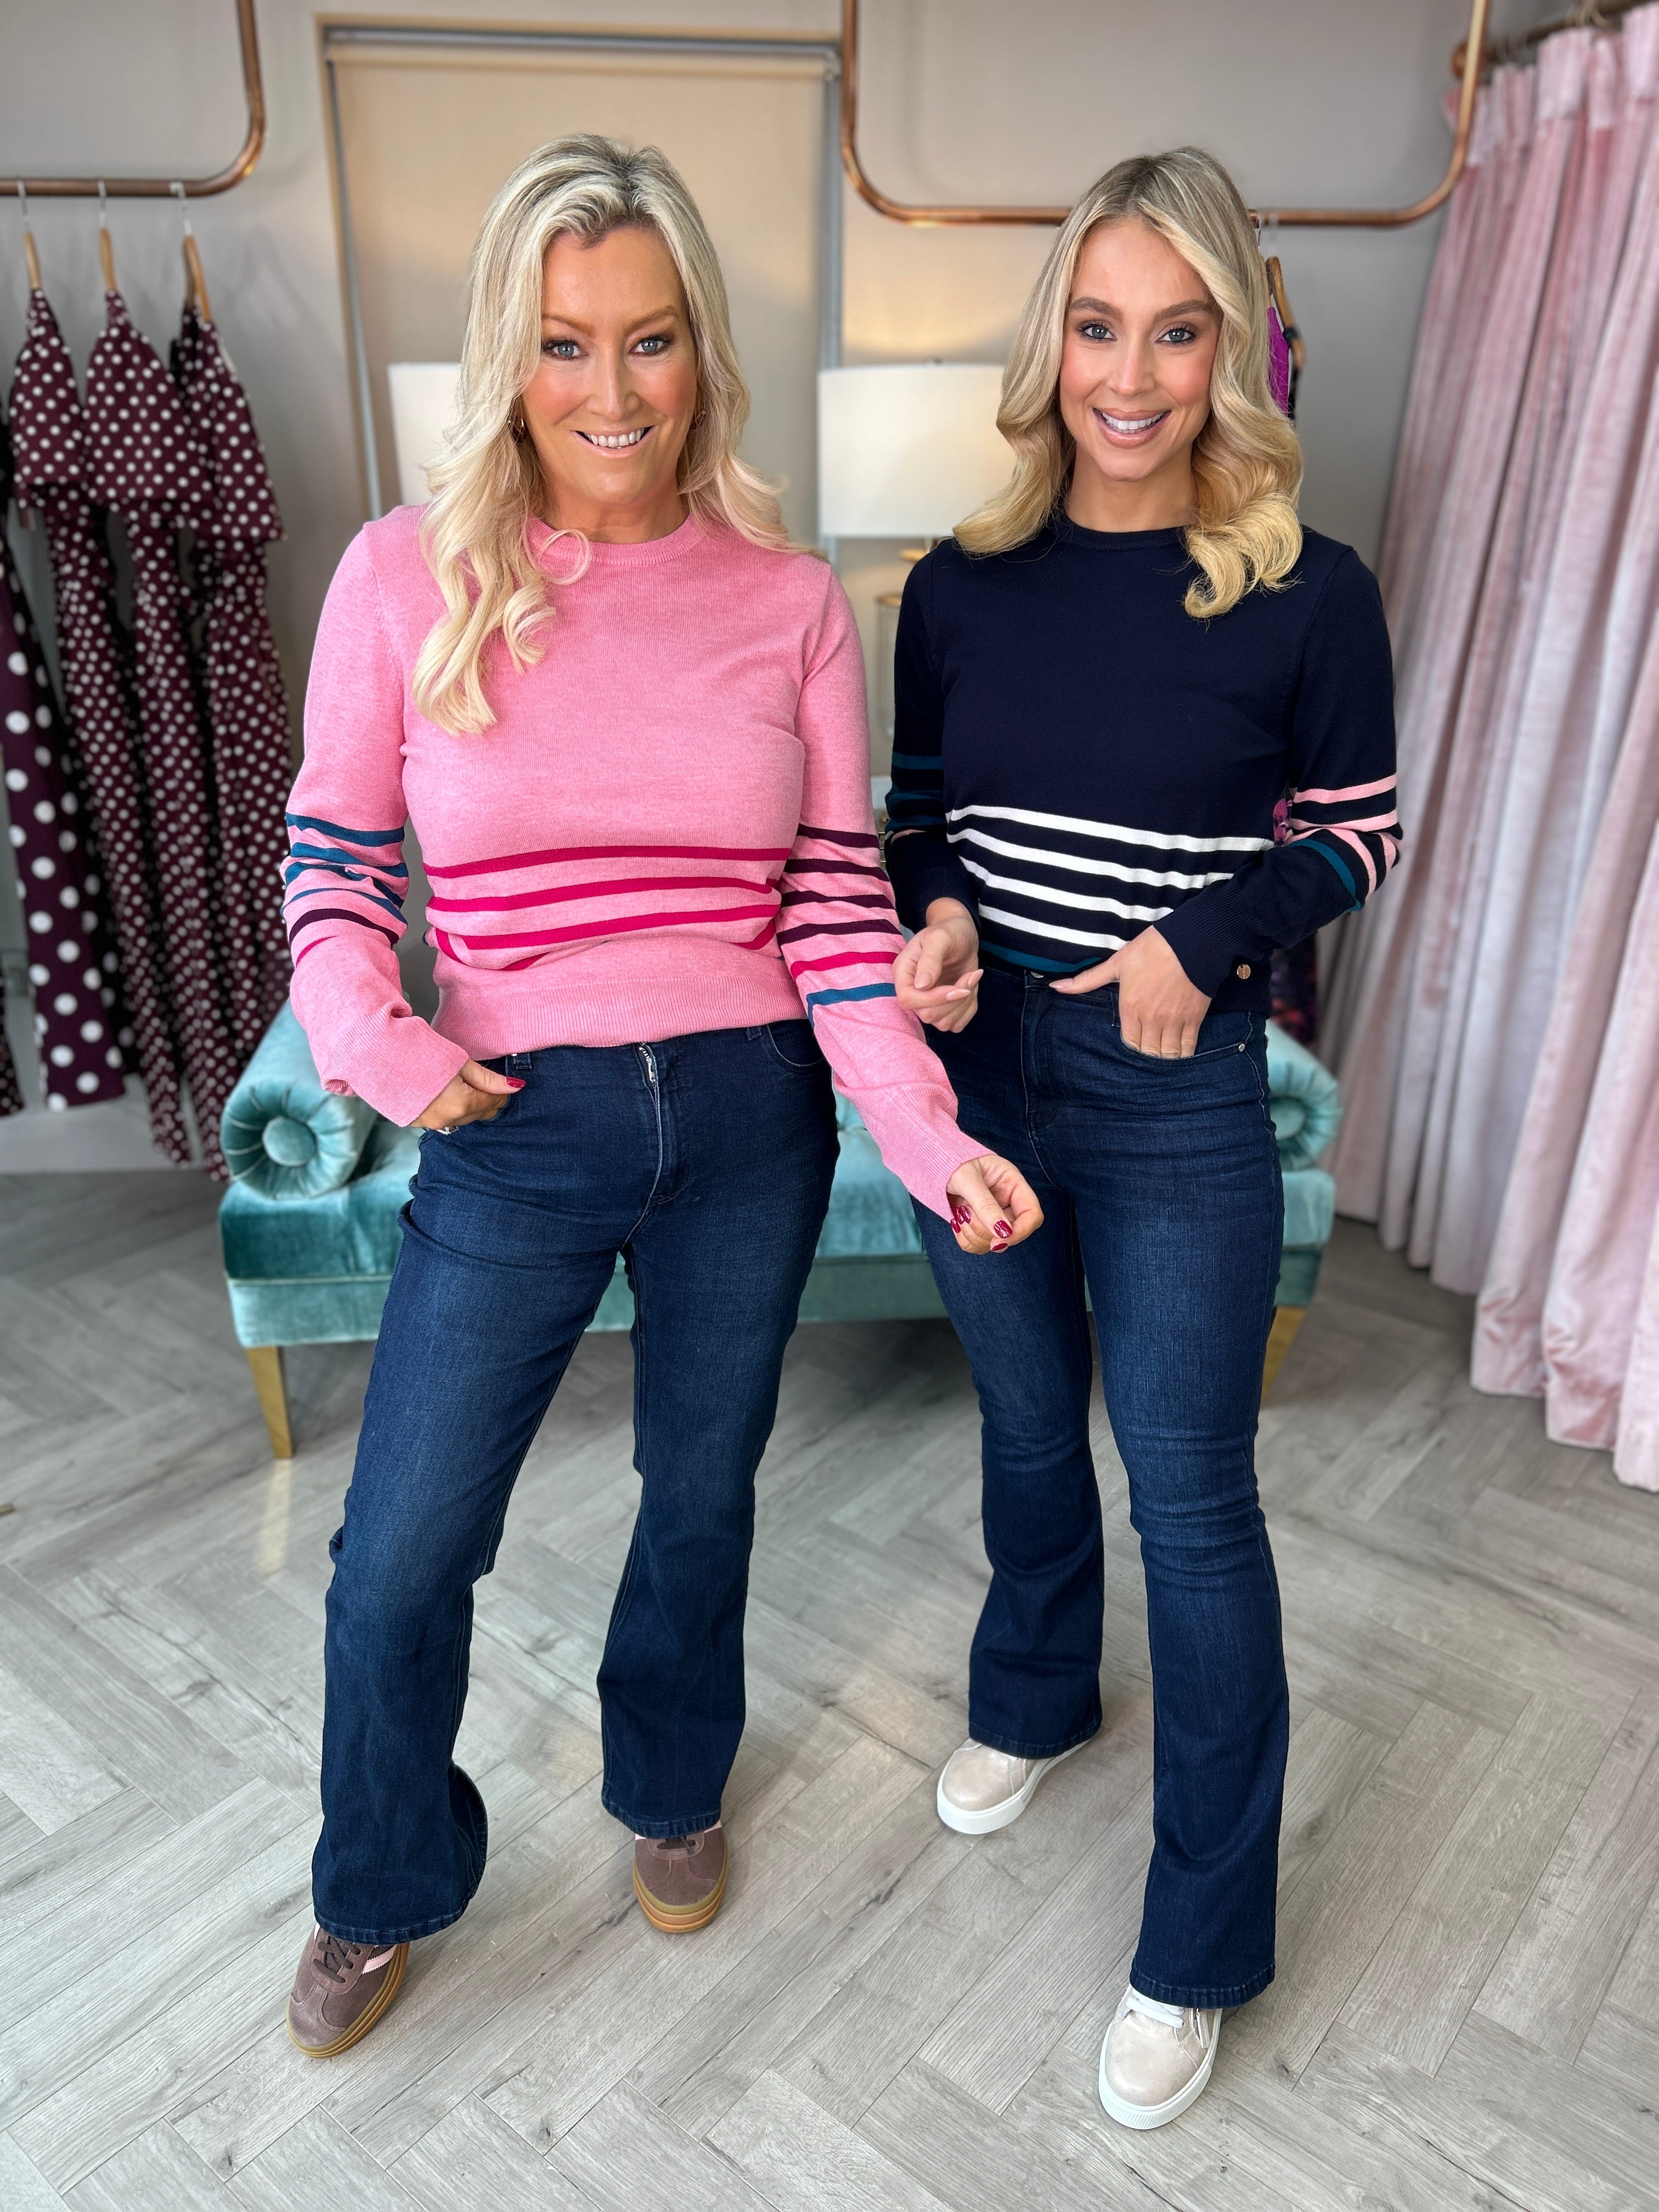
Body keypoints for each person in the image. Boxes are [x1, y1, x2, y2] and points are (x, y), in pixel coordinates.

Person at [280, 134, 1040, 2060]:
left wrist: (927, 1134)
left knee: (700, 1495)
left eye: (649, 339)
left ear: (702, 348)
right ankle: (382, 1873)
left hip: (750, 1121)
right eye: (563, 343)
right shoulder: (401, 575)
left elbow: (838, 907)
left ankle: (672, 1777)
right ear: (509, 356)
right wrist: (387, 1049)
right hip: (512, 1124)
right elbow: (336, 869)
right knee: (401, 1552)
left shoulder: (789, 601)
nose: (609, 390)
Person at [885, 147, 1399, 2131]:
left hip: (1176, 1094)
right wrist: (939, 917)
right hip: (987, 1078)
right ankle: (1034, 1695)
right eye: (1097, 328)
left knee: (1189, 1501)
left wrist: (1206, 938)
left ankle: (1198, 1945)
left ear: (1229, 352)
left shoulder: (1309, 591)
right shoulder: (958, 584)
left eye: (1176, 333)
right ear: (1051, 347)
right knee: (1026, 1428)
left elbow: (1355, 835)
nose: (1130, 375)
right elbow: (918, 815)